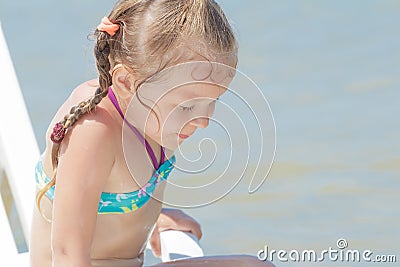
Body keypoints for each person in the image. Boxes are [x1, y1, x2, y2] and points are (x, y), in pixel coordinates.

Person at [30, 0, 274, 266]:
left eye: (213, 101)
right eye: (188, 106)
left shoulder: (153, 118)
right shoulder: (94, 130)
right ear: (126, 83)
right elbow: (66, 252)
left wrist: (151, 217)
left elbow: (110, 192)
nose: (203, 122)